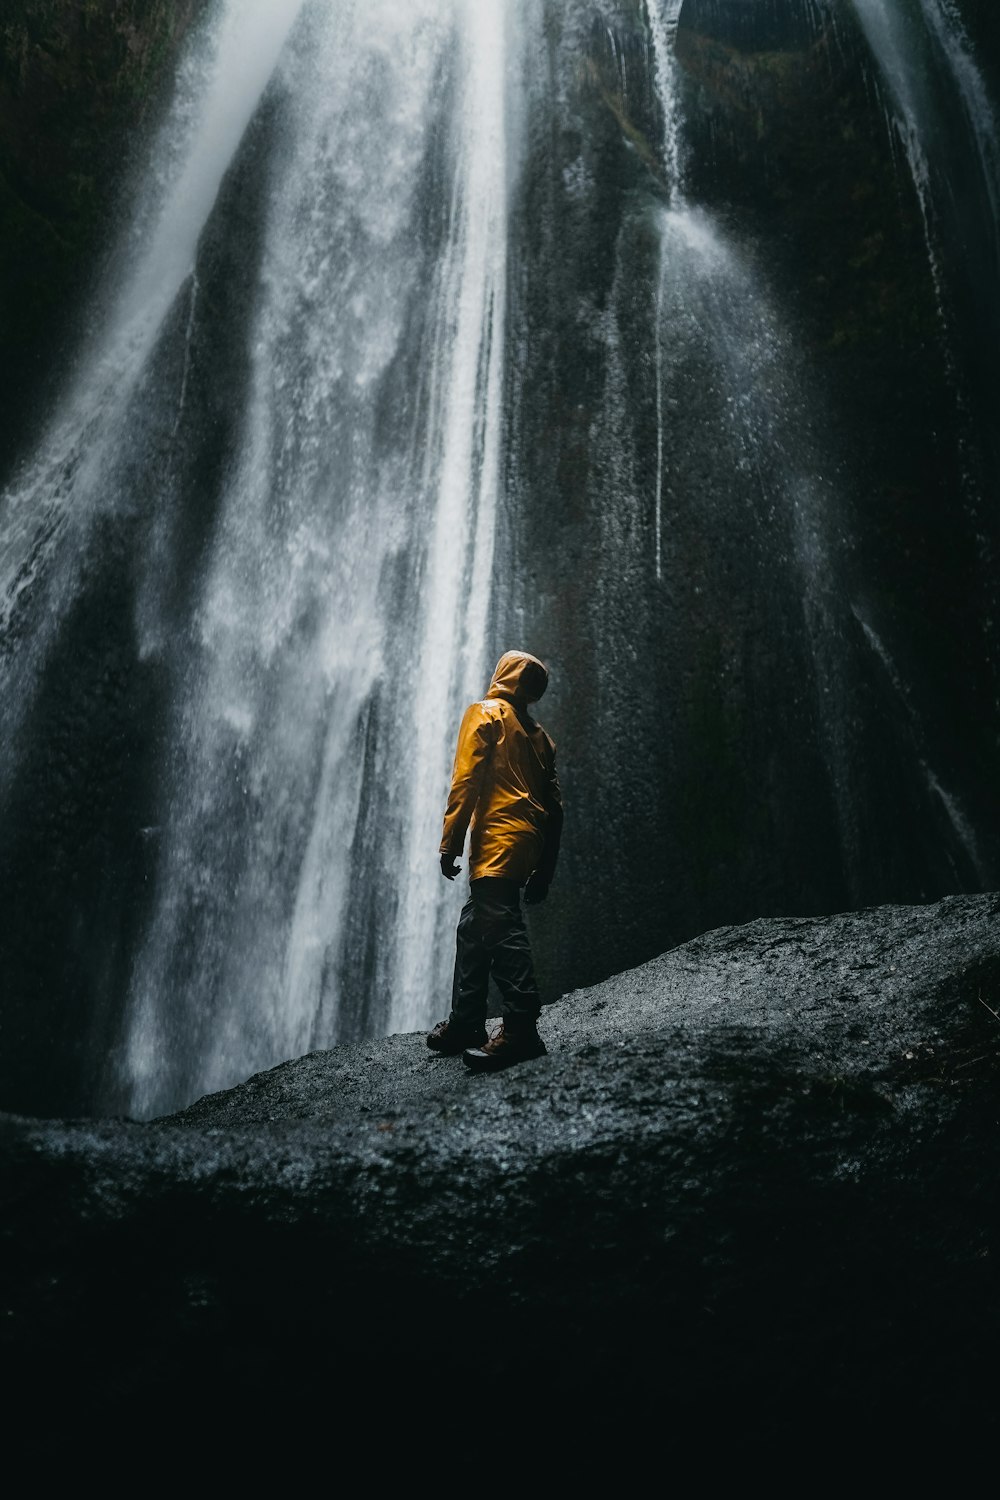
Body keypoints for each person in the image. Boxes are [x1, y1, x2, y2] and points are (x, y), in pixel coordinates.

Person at [426, 649, 563, 1072]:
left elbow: (466, 780)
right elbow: (555, 808)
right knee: (474, 926)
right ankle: (467, 1021)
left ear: (503, 675)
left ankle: (521, 1027)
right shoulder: (541, 737)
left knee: (501, 925)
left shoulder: (485, 714)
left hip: (497, 839)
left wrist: (450, 841)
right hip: (527, 842)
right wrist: (544, 869)